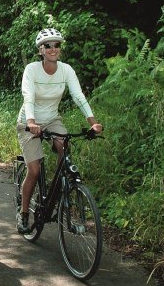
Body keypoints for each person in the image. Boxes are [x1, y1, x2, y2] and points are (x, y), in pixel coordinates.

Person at [16, 28, 103, 234]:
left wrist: (93, 122)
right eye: (48, 45)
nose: (53, 49)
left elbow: (78, 96)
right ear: (40, 50)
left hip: (53, 119)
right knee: (35, 170)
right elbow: (28, 96)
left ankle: (59, 195)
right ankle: (24, 213)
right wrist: (31, 121)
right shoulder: (31, 69)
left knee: (65, 152)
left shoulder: (66, 70)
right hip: (29, 122)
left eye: (57, 45)